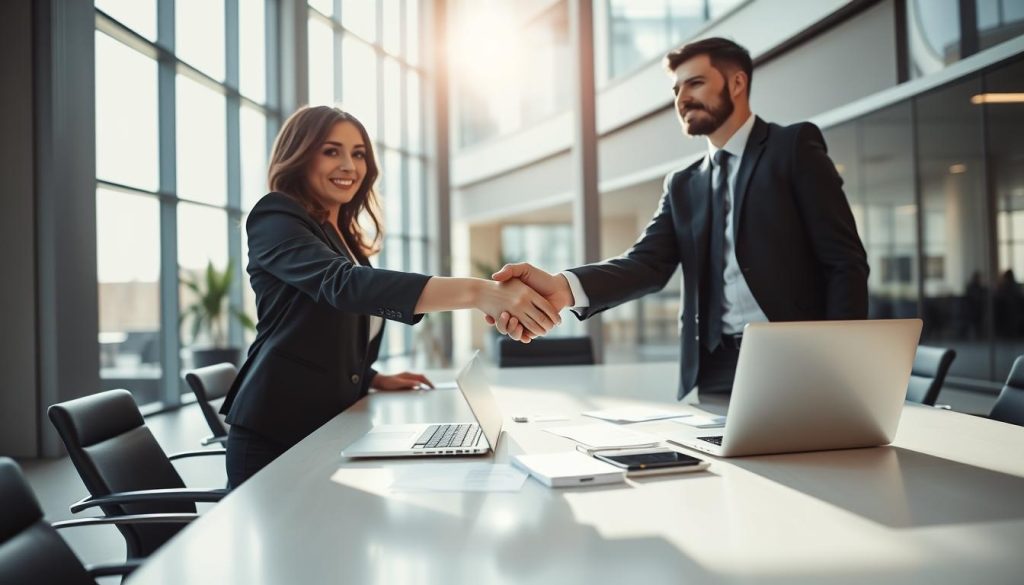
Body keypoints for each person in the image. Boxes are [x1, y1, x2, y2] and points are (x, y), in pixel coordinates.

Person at [489, 37, 868, 400]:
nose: (683, 98)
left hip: (797, 358)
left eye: (696, 83)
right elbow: (646, 264)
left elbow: (844, 262)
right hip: (715, 365)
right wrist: (563, 287)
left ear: (737, 83)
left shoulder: (793, 147)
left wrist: (839, 362)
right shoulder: (684, 183)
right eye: (676, 91)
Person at [221, 106, 560, 487]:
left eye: (358, 153)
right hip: (276, 434)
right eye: (331, 151)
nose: (349, 165)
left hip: (326, 426)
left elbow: (320, 329)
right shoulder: (276, 216)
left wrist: (370, 377)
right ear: (299, 155)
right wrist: (479, 292)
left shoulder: (342, 234)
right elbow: (344, 287)